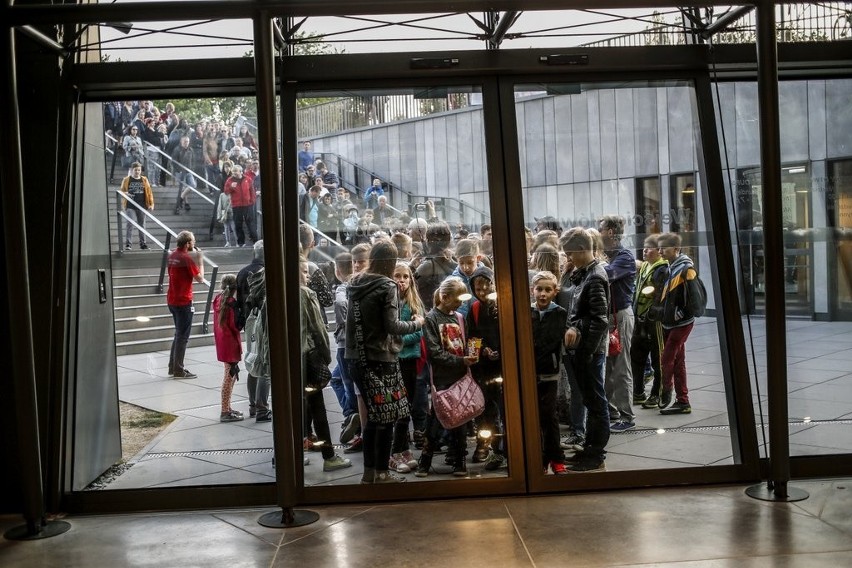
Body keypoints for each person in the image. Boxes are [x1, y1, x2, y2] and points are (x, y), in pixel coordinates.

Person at [345, 241, 424, 484]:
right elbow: (392, 326)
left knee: (373, 419)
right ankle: (381, 472)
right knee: (388, 417)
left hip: (356, 358)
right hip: (381, 358)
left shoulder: (356, 283)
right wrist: (418, 323)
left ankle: (369, 473)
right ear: (390, 262)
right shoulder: (386, 286)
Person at [416, 277, 478, 478]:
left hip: (460, 377)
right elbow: (434, 352)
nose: (461, 304)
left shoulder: (459, 317)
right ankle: (425, 461)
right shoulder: (432, 319)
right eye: (457, 299)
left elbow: (465, 341)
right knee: (436, 420)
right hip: (442, 378)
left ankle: (460, 460)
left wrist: (475, 353)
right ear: (444, 297)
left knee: (460, 420)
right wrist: (461, 361)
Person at [560, 227, 609, 472]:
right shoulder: (586, 273)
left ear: (581, 249)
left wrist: (586, 352)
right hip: (584, 349)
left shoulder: (595, 276)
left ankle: (596, 453)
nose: (568, 257)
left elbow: (600, 319)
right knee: (591, 401)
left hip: (589, 350)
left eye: (570, 253)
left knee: (596, 403)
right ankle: (590, 450)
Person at [299, 260, 353, 473]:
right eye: (304, 271)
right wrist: (325, 356)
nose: (308, 276)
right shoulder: (305, 294)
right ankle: (329, 456)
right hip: (306, 356)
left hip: (285, 359)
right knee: (317, 406)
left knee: (290, 407)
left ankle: (289, 454)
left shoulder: (272, 292)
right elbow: (317, 329)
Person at [598, 215, 637, 433]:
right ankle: (613, 410)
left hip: (620, 316)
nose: (599, 232)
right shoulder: (611, 256)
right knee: (609, 367)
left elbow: (605, 275)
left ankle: (627, 416)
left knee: (621, 367)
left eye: (601, 229)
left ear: (611, 232)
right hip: (611, 317)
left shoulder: (623, 257)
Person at [466, 265, 505, 470]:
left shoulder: (502, 304)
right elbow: (472, 337)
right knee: (485, 408)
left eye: (486, 288)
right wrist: (483, 351)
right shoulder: (474, 308)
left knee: (504, 407)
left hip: (504, 366)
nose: (482, 292)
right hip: (483, 368)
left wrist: (500, 350)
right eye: (478, 289)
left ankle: (502, 447)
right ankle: (484, 443)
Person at [530, 271, 569, 475]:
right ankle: (540, 458)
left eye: (547, 290)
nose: (543, 294)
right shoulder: (527, 312)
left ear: (555, 292)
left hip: (549, 373)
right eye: (539, 289)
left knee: (549, 416)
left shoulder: (560, 313)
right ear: (532, 291)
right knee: (534, 418)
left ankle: (556, 458)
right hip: (530, 373)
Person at [388, 262, 425, 474]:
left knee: (407, 408)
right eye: (397, 276)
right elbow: (390, 333)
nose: (401, 280)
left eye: (405, 276)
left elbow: (417, 334)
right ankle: (395, 451)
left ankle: (402, 449)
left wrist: (399, 339)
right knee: (397, 408)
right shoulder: (389, 302)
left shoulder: (414, 303)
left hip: (410, 360)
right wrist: (403, 336)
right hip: (394, 361)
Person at [657, 232, 698, 415]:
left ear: (676, 248)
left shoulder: (686, 269)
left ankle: (667, 390)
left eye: (664, 247)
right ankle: (683, 401)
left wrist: (679, 314)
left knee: (667, 358)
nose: (660, 251)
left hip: (681, 323)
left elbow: (694, 299)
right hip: (670, 323)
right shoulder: (670, 267)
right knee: (678, 360)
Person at [630, 234, 670, 408]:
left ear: (659, 251)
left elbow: (659, 296)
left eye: (649, 247)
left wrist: (651, 315)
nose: (645, 250)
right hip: (639, 320)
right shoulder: (645, 266)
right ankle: (638, 392)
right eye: (644, 247)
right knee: (636, 357)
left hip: (654, 322)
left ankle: (657, 393)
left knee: (657, 359)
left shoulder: (662, 269)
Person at [236, 241, 269, 421]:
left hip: (250, 322)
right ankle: (262, 407)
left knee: (252, 361)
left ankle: (253, 405)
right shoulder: (266, 273)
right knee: (265, 366)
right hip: (264, 321)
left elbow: (239, 301)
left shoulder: (242, 272)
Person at [167, 231, 204, 379]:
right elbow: (200, 278)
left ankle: (173, 366)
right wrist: (200, 260)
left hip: (172, 299)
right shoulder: (186, 258)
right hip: (183, 301)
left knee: (178, 334)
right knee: (182, 337)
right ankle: (178, 369)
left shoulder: (172, 256)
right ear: (188, 243)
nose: (194, 244)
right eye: (193, 242)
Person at [331, 253, 359, 444]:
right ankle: (351, 415)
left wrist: (344, 325)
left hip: (345, 346)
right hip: (351, 345)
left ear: (337, 270)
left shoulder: (343, 288)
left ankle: (351, 415)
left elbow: (341, 303)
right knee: (336, 378)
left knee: (348, 384)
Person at [213, 274, 245, 423]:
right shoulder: (231, 303)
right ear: (235, 288)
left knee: (229, 374)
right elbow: (236, 326)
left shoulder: (218, 299)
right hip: (230, 343)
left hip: (222, 342)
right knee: (229, 376)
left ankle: (227, 407)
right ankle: (225, 410)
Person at [119, 162, 154, 250]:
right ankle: (128, 244)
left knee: (142, 224)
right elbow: (121, 191)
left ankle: (143, 244)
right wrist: (126, 193)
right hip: (130, 205)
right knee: (129, 224)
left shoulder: (144, 179)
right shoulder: (127, 179)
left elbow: (149, 193)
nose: (137, 172)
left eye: (139, 170)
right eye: (135, 170)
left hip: (142, 205)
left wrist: (151, 204)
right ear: (132, 170)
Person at [223, 165, 258, 247]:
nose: (234, 173)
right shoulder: (230, 180)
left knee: (250, 223)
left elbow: (252, 191)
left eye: (236, 171)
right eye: (233, 171)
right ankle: (241, 242)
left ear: (241, 172)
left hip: (248, 205)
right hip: (236, 206)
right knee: (238, 224)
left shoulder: (248, 179)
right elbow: (226, 191)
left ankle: (255, 241)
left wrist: (252, 201)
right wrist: (231, 187)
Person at [170, 135, 196, 215]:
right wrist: (179, 170)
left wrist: (192, 169)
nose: (186, 143)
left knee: (192, 185)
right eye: (185, 141)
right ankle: (186, 204)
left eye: (187, 141)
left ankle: (180, 199)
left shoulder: (191, 150)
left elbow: (193, 161)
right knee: (184, 187)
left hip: (189, 171)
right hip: (180, 172)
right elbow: (173, 161)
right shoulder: (177, 150)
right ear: (181, 142)